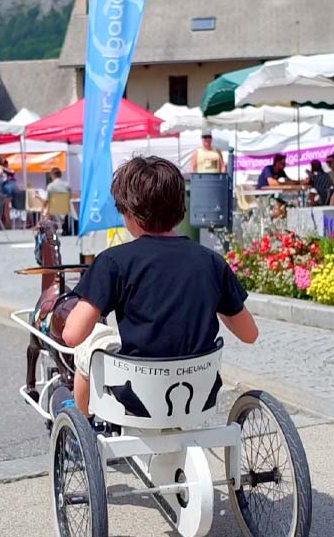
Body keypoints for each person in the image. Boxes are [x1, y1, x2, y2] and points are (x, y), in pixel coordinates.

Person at [62, 156, 258, 417]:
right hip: (199, 396)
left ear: (129, 212)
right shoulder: (211, 261)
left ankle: (83, 422)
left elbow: (72, 335)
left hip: (138, 397)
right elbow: (249, 334)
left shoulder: (113, 262)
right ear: (179, 206)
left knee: (89, 346)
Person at [257, 154, 299, 219]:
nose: (284, 165)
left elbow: (290, 181)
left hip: (273, 196)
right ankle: (268, 220)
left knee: (285, 208)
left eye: (284, 163)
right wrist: (285, 183)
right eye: (282, 163)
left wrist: (298, 182)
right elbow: (272, 183)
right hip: (262, 196)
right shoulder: (268, 169)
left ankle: (276, 223)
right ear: (277, 163)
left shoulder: (281, 172)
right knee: (279, 208)